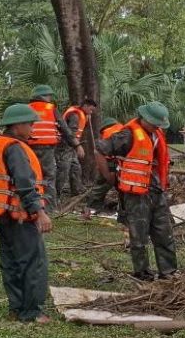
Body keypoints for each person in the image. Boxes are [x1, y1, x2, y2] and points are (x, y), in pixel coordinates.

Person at [0, 104, 53, 324]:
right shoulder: (14, 148)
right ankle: (31, 312)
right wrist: (39, 213)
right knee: (32, 262)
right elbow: (24, 183)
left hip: (2, 216)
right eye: (30, 124)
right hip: (17, 216)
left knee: (11, 262)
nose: (32, 128)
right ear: (17, 125)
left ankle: (16, 308)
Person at [95, 102, 178, 281]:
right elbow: (101, 149)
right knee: (138, 236)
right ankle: (142, 272)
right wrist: (109, 176)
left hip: (155, 190)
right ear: (144, 118)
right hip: (135, 194)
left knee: (164, 232)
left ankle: (168, 271)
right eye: (154, 123)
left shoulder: (156, 134)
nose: (157, 127)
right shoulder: (128, 134)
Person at [27, 85, 80, 211]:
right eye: (49, 95)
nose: (50, 98)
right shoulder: (51, 108)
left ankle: (32, 205)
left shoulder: (27, 109)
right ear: (44, 96)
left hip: (29, 147)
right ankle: (50, 208)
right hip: (47, 148)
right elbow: (65, 129)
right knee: (49, 177)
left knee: (31, 176)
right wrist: (76, 144)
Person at [82, 116, 124, 219]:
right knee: (124, 190)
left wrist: (108, 174)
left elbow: (104, 155)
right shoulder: (123, 129)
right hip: (126, 165)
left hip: (112, 161)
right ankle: (124, 213)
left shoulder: (107, 134)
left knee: (100, 186)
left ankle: (91, 210)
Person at [57, 98, 97, 199]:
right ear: (85, 106)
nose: (91, 112)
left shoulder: (81, 114)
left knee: (75, 168)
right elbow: (70, 133)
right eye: (90, 110)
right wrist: (78, 146)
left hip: (72, 146)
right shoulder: (75, 115)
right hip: (65, 145)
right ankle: (56, 195)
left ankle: (76, 190)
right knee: (64, 169)